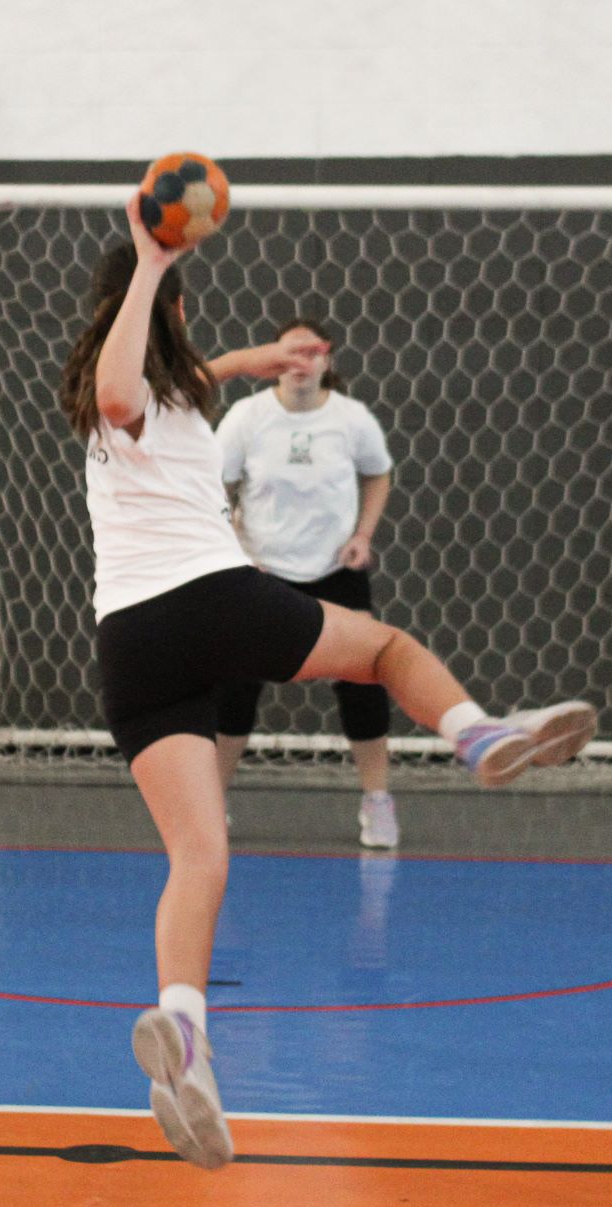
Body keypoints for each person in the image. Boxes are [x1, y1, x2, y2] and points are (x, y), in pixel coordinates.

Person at [58, 195, 597, 1172]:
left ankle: (183, 1031)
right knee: (386, 648)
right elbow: (118, 383)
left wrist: (241, 359)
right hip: (206, 595)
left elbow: (148, 376)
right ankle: (475, 733)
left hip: (127, 646)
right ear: (165, 315)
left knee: (199, 854)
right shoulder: (132, 391)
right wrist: (150, 261)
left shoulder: (165, 398)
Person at [214, 318, 401, 847]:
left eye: (312, 353)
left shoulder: (351, 419)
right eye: (290, 353)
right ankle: (211, 803)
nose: (301, 364)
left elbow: (379, 472)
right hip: (263, 573)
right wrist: (236, 548)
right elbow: (215, 484)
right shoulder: (246, 418)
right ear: (274, 358)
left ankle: (378, 801)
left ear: (328, 360)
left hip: (334, 573)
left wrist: (363, 534)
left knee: (366, 684)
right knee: (233, 690)